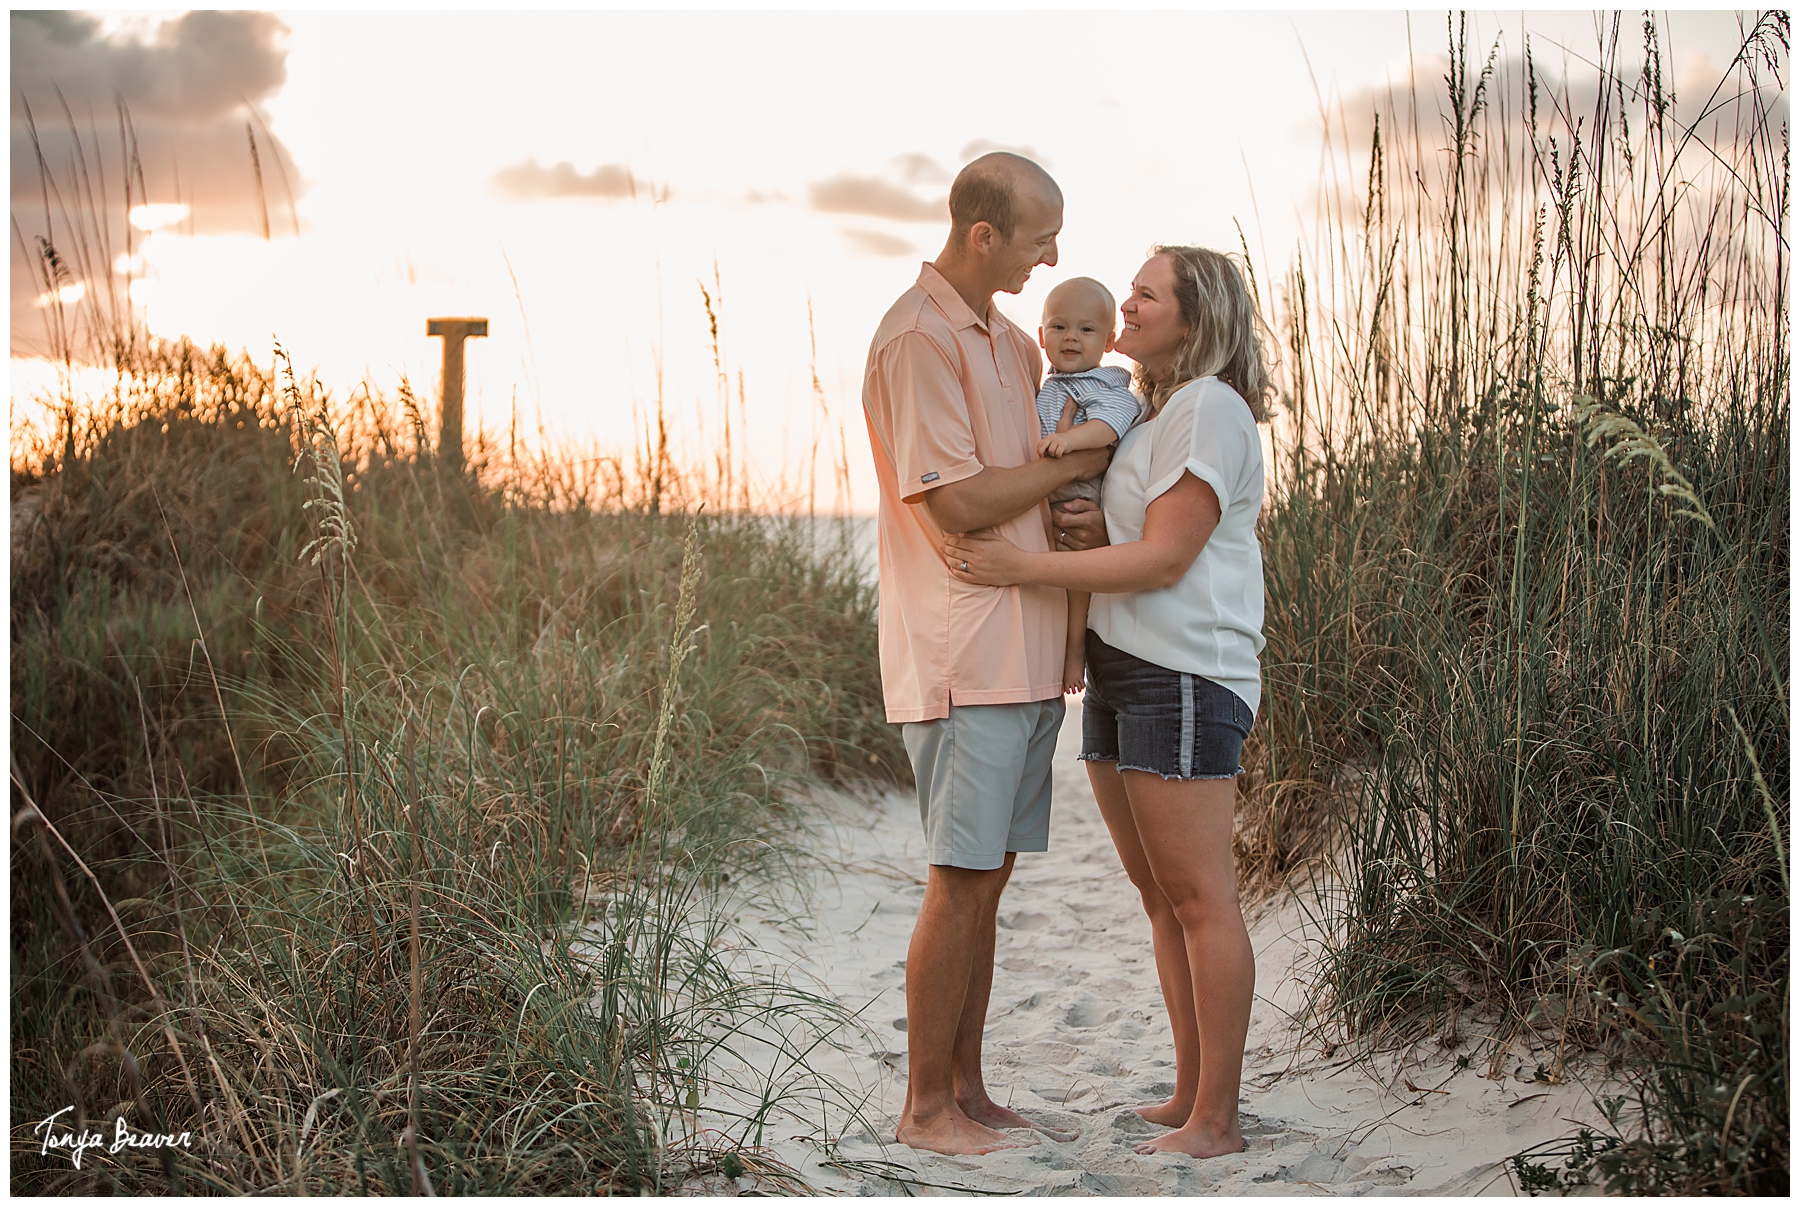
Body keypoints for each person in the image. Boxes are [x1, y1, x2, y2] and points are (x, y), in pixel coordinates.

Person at [944, 245, 1273, 1159]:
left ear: (1196, 319)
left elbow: (1170, 559)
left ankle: (1220, 1118)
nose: (1125, 303)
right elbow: (1142, 533)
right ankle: (1189, 1090)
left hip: (1183, 672)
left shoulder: (1210, 407)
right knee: (1162, 898)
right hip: (1126, 666)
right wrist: (1093, 526)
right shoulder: (1158, 410)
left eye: (1145, 293)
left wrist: (1026, 566)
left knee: (1201, 896)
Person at [860, 151, 1110, 1157]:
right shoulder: (917, 340)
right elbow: (959, 502)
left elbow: (1030, 483)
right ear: (982, 234)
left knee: (991, 872)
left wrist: (1079, 484)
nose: (1054, 254)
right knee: (959, 877)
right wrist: (1075, 462)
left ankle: (966, 1086)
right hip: (963, 657)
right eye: (1040, 234)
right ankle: (925, 1110)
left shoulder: (1012, 344)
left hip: (1029, 649)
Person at [1032, 276, 1143, 695]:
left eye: (1087, 329)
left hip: (1081, 493)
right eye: (1059, 327)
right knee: (1054, 574)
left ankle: (1074, 649)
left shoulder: (1105, 384)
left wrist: (1069, 440)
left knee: (1076, 577)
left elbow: (1108, 426)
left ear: (1109, 340)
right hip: (1048, 492)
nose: (1071, 337)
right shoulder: (1049, 384)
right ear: (1042, 336)